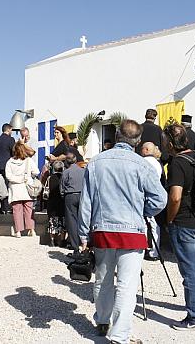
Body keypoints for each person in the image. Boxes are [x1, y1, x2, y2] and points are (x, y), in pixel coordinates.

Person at [78, 119, 166, 342]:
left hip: (103, 229)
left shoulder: (96, 162)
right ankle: (120, 335)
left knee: (103, 280)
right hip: (132, 231)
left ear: (116, 136)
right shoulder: (143, 164)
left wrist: (82, 233)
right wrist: (143, 210)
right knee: (127, 285)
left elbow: (85, 202)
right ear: (138, 141)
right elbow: (160, 199)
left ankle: (102, 320)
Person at [164, 123, 195, 331]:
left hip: (183, 221)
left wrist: (170, 219)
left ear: (172, 144)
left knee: (189, 269)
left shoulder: (177, 163)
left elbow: (175, 197)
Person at [6, 142, 39, 238]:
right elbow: (36, 171)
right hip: (27, 187)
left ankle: (18, 231)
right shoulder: (28, 160)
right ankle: (31, 229)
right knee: (29, 209)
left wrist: (17, 179)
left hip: (15, 188)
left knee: (17, 210)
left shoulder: (9, 162)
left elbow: (8, 176)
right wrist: (28, 176)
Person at [140, 142, 163, 261]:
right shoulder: (158, 163)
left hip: (144, 195)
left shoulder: (143, 162)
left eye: (142, 148)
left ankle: (143, 249)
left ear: (146, 149)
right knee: (154, 224)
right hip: (154, 195)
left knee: (144, 224)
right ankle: (155, 250)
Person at [60, 152, 85, 252]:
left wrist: (63, 196)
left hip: (70, 195)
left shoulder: (66, 172)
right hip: (82, 195)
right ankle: (84, 243)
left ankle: (75, 245)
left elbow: (62, 188)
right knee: (83, 219)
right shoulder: (83, 171)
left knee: (71, 221)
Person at [0, 125, 15, 213]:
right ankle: (7, 207)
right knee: (7, 186)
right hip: (7, 166)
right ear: (9, 130)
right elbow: (13, 151)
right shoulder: (11, 139)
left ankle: (1, 207)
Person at [46, 161, 65, 245]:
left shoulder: (50, 178)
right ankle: (61, 240)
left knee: (52, 220)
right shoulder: (64, 177)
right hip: (61, 201)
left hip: (52, 201)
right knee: (62, 220)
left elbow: (46, 190)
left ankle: (52, 240)